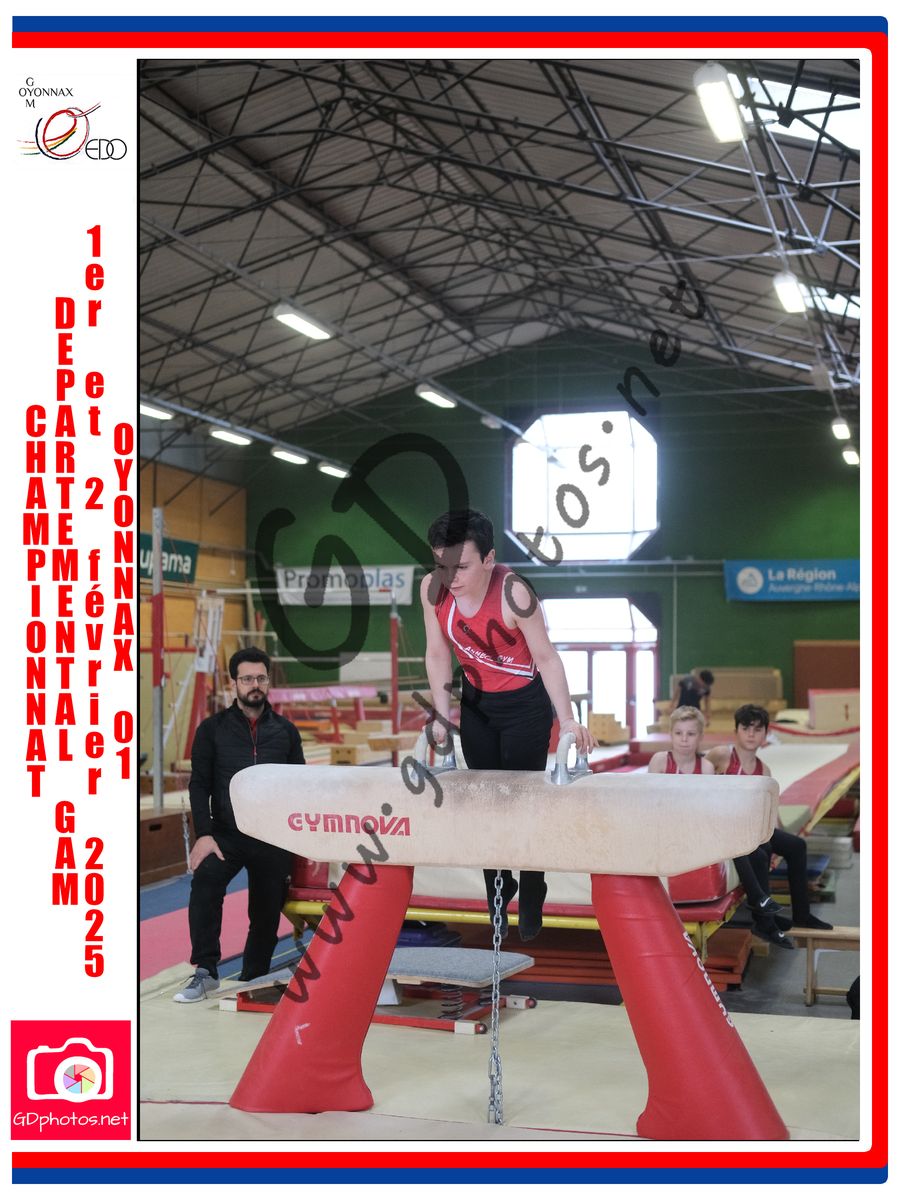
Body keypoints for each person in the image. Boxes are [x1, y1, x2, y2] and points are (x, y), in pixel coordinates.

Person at [421, 509, 592, 942]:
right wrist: (441, 713)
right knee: (484, 797)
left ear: (489, 559)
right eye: (442, 565)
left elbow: (547, 657)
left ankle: (533, 883)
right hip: (477, 703)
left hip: (524, 706)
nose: (450, 577)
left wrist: (568, 721)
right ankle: (498, 886)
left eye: (461, 567)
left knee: (525, 797)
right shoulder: (432, 589)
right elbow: (437, 653)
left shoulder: (514, 594)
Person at [174, 647, 304, 1002]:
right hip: (226, 835)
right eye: (247, 678)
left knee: (266, 910)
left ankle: (253, 977)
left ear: (268, 681)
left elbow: (300, 787)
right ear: (234, 683)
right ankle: (205, 971)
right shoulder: (211, 730)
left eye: (260, 678)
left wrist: (296, 840)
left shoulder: (286, 732)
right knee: (205, 883)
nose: (254, 685)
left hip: (271, 835)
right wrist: (204, 835)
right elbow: (199, 785)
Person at [707, 704, 833, 950]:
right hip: (729, 828)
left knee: (796, 846)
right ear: (736, 731)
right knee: (761, 850)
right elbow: (696, 775)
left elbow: (771, 811)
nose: (751, 734)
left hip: (754, 827)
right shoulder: (722, 755)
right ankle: (765, 921)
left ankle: (802, 914)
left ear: (765, 734)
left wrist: (780, 836)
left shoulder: (763, 770)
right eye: (746, 728)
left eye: (757, 729)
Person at [648, 706, 715, 775]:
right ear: (671, 735)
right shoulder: (659, 761)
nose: (684, 739)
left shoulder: (706, 768)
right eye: (678, 733)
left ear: (700, 737)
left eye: (690, 734)